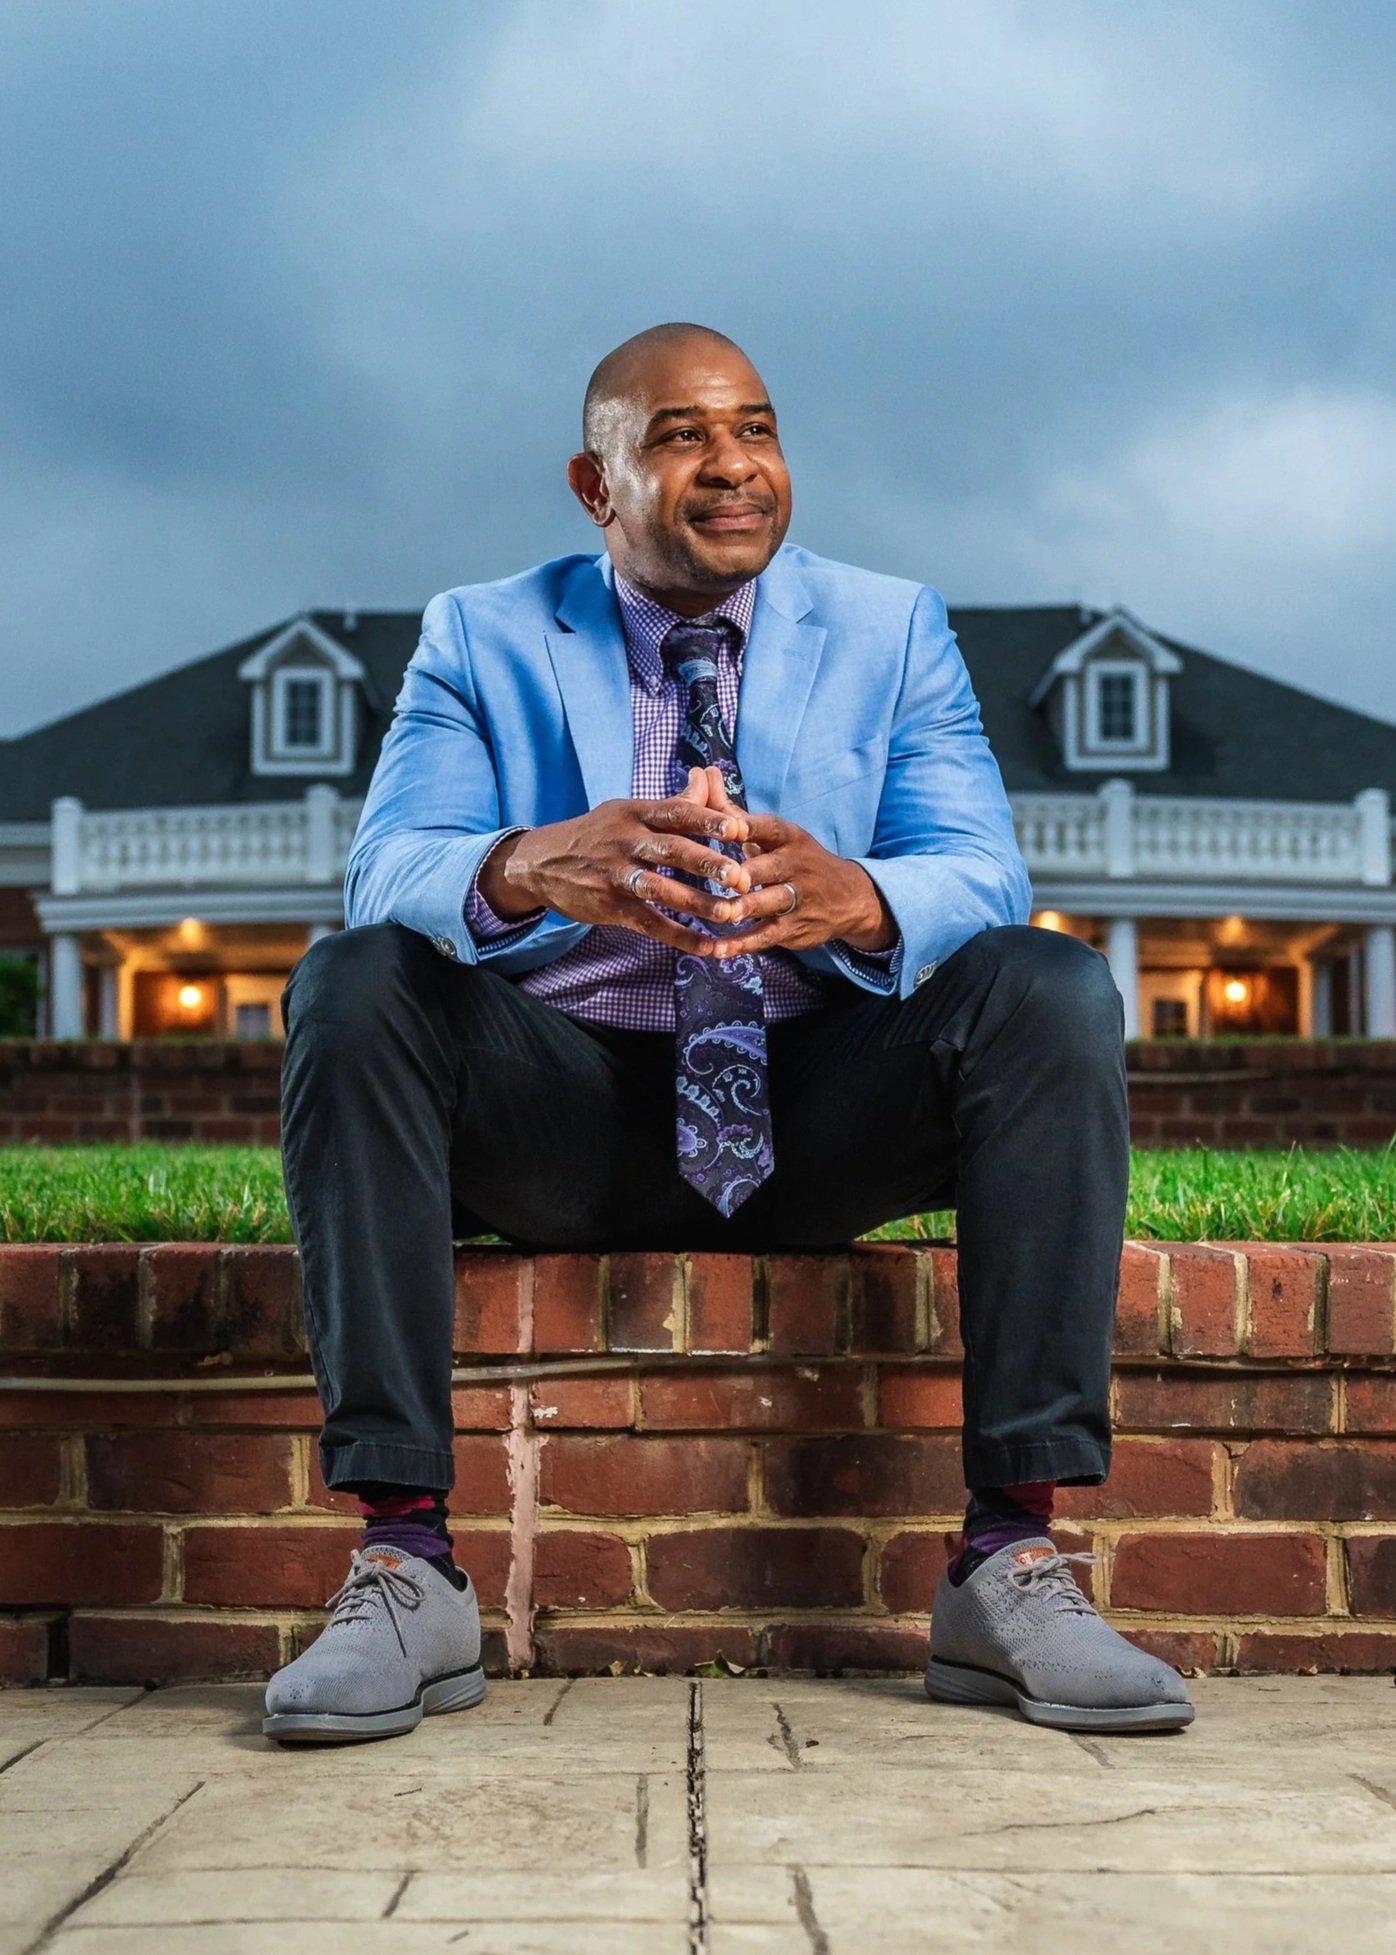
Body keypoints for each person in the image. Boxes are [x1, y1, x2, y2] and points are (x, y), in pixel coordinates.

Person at [263, 322, 1193, 1744]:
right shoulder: (483, 631)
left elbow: (985, 872)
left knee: (1048, 986)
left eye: (754, 428)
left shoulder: (891, 628)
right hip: (559, 1112)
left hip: (819, 1105)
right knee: (354, 976)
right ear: (597, 484)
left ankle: (1012, 1554)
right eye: (683, 436)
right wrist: (525, 864)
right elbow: (384, 870)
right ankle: (405, 1559)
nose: (734, 466)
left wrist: (861, 898)